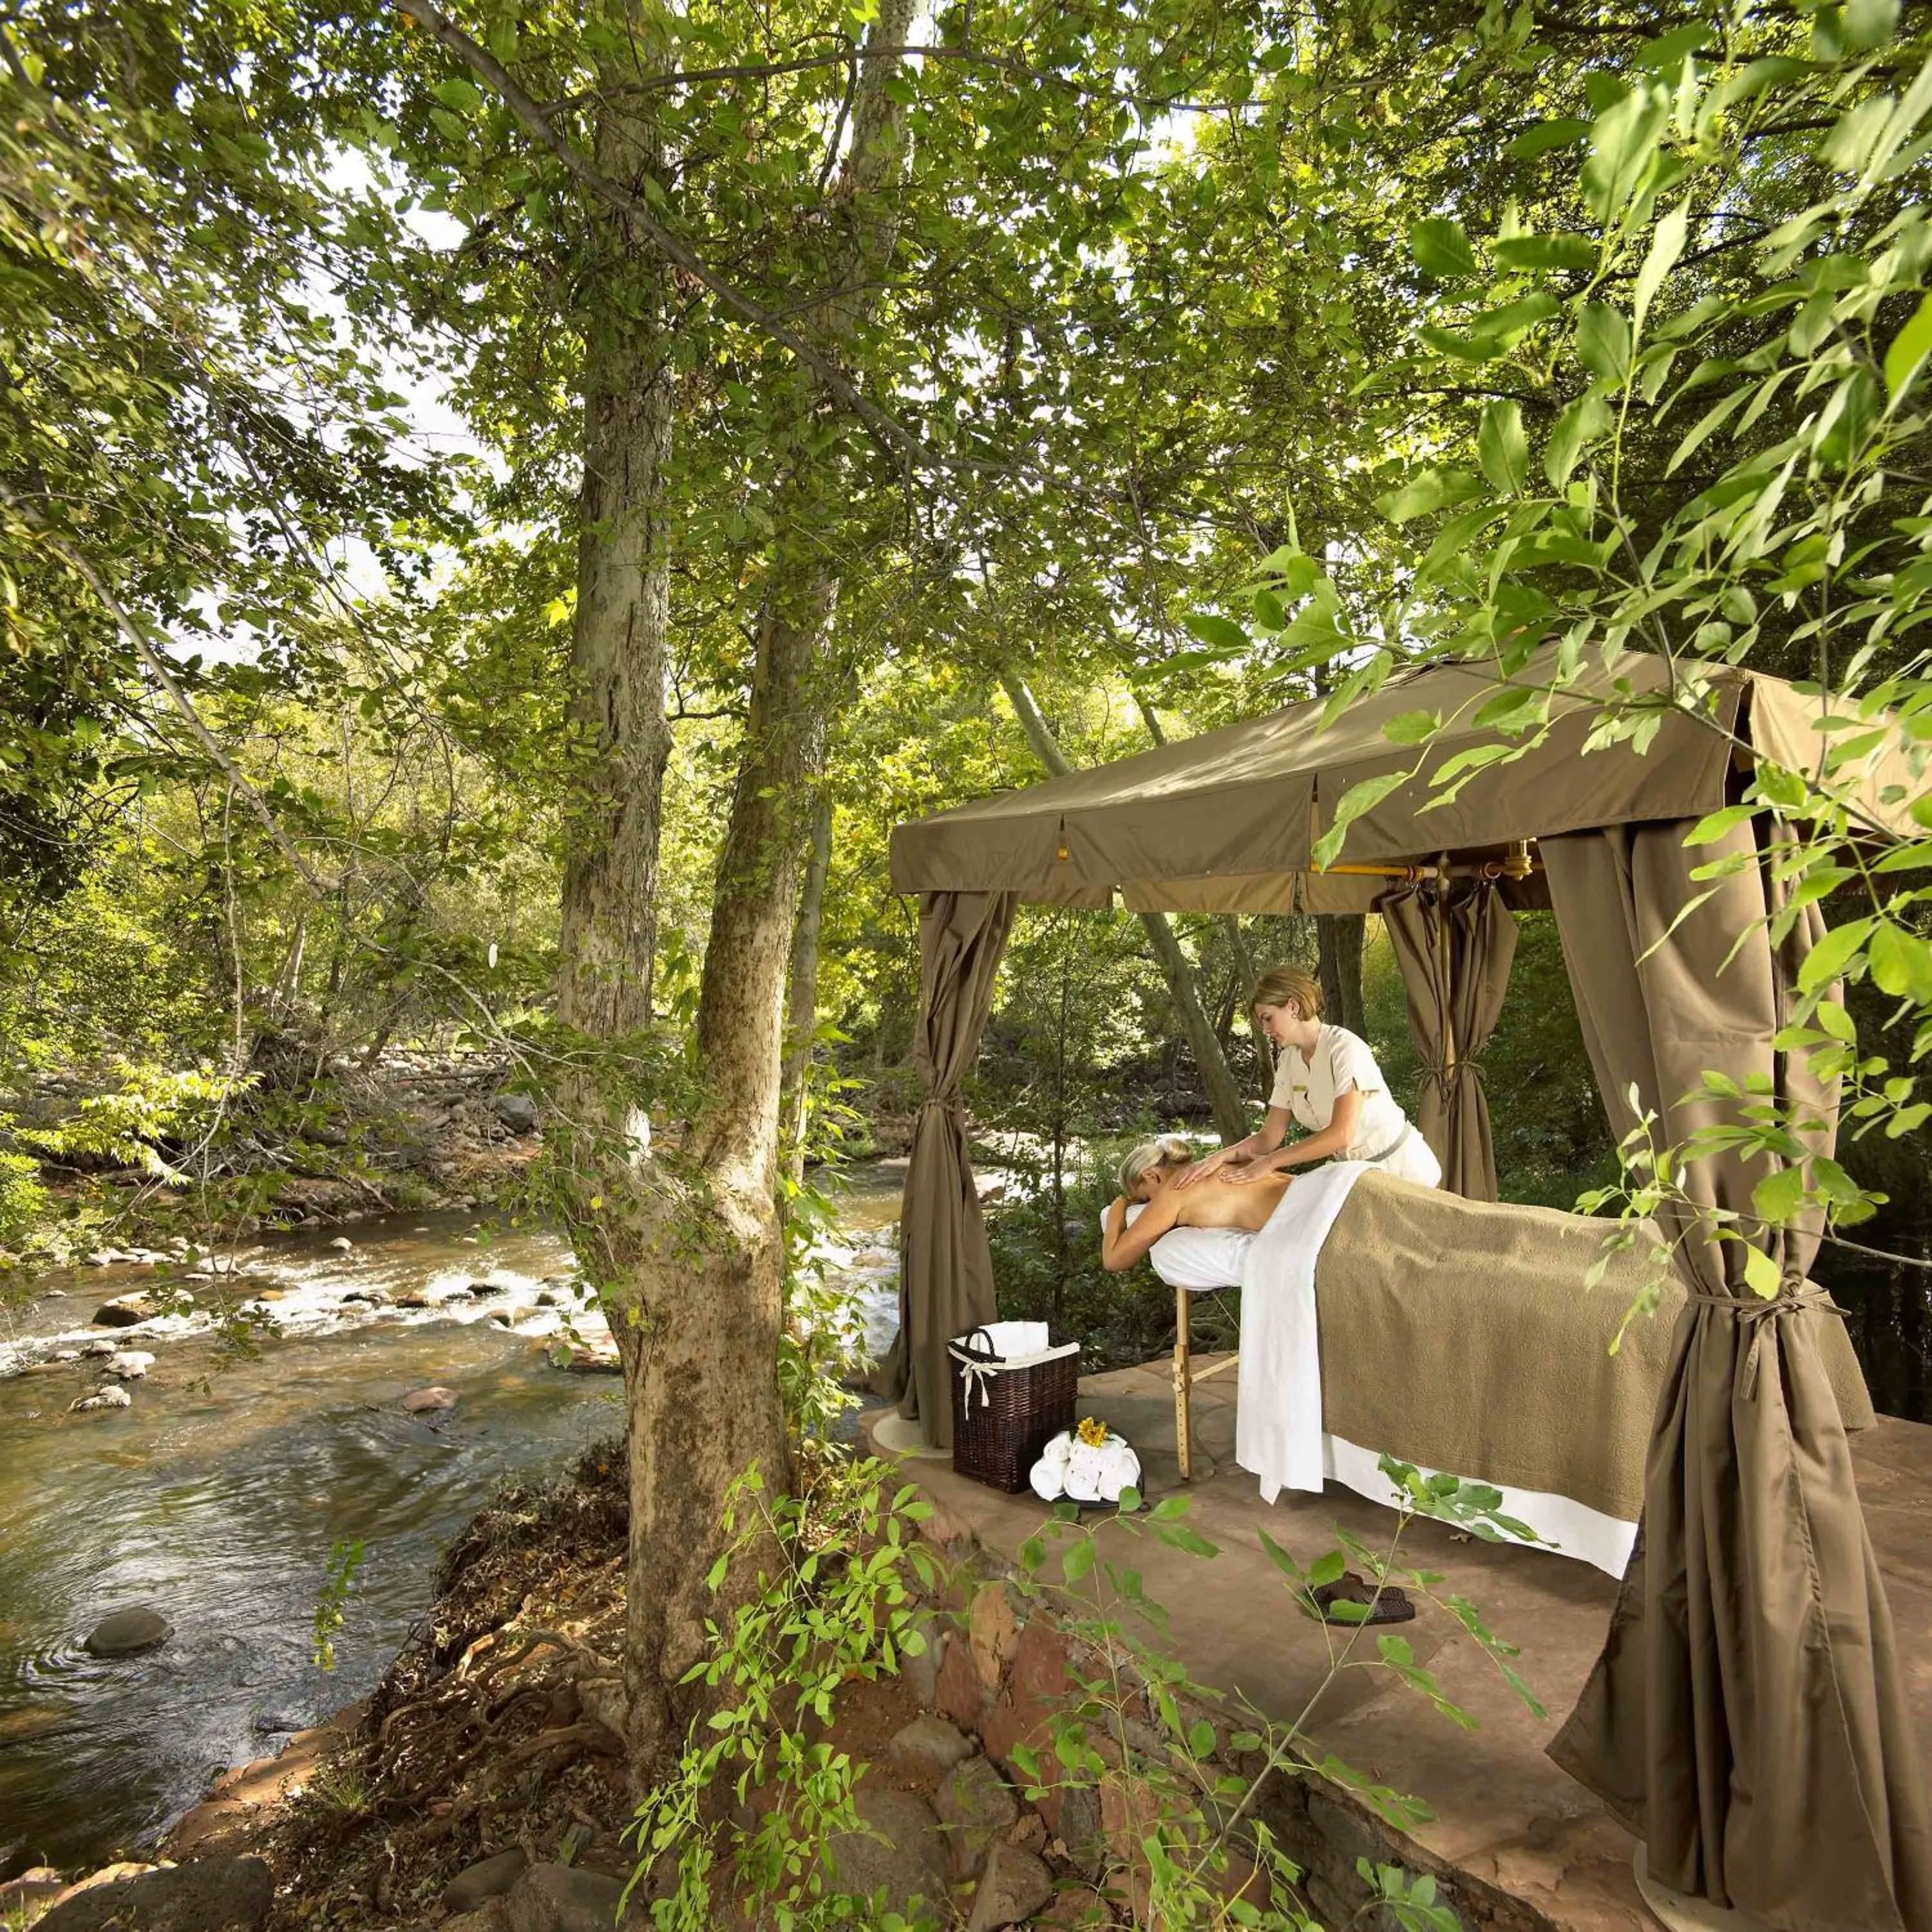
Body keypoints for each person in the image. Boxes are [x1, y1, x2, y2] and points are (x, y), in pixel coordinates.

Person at [1179, 967, 1440, 1191]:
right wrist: (1219, 1158)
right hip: (1360, 1178)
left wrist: (1270, 1162)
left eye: (1268, 1019)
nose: (1266, 1031)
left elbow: (1341, 1134)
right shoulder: (1289, 1061)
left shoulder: (1344, 1048)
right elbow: (1269, 1136)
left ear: (1292, 1006)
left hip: (1405, 1171)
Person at [1100, 1133, 1293, 1273]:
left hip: (1303, 1217)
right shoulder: (1217, 1165)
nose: (1148, 1206)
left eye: (1145, 1199)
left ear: (1151, 1176)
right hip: (1310, 1189)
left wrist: (1117, 1209)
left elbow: (1114, 1261)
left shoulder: (1175, 1191)